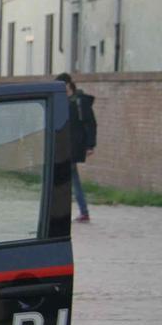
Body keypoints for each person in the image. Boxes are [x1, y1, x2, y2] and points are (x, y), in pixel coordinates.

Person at [57, 73, 97, 223]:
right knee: (72, 180)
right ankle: (82, 211)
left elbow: (91, 123)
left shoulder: (80, 102)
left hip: (73, 147)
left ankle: (74, 212)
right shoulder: (61, 100)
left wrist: (90, 145)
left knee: (69, 180)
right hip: (64, 146)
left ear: (68, 85)